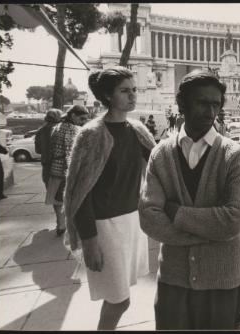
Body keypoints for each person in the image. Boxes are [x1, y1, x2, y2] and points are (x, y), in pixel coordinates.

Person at [139, 69, 240, 330]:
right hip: (173, 282)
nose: (211, 112)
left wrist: (177, 214)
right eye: (202, 103)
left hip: (221, 282)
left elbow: (234, 219)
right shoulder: (161, 154)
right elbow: (149, 218)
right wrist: (212, 234)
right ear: (182, 104)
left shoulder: (234, 156)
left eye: (216, 104)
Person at [63, 66, 156, 330]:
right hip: (105, 228)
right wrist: (89, 241)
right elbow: (80, 193)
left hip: (132, 222)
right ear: (107, 95)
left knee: (121, 296)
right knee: (119, 301)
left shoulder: (137, 129)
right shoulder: (91, 134)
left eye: (134, 90)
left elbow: (161, 164)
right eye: (125, 91)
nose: (133, 96)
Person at [46, 105, 89, 236]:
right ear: (73, 116)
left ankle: (60, 223)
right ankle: (70, 225)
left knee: (57, 198)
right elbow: (71, 153)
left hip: (55, 169)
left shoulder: (56, 127)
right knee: (71, 198)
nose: (84, 122)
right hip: (68, 170)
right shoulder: (74, 129)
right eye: (82, 118)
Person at [35, 108, 62, 186]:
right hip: (60, 164)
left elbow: (38, 150)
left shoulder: (40, 131)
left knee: (49, 189)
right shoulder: (61, 130)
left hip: (46, 163)